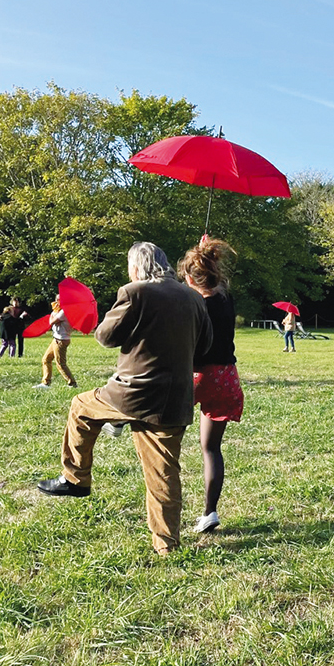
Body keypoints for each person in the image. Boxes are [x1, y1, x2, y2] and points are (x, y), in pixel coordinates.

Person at [37, 242, 212, 556]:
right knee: (163, 472)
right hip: (175, 398)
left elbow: (106, 336)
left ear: (137, 267)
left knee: (80, 406)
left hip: (132, 393)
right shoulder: (193, 297)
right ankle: (167, 545)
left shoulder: (135, 292)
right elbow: (205, 346)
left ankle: (76, 478)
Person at [178, 236, 244, 533]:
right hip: (226, 377)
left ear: (189, 278)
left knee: (165, 440)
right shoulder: (225, 297)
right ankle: (210, 512)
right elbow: (209, 279)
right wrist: (205, 253)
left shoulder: (192, 304)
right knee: (211, 448)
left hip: (197, 375)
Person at [34, 296, 77, 388]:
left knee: (61, 364)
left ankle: (72, 383)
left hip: (61, 340)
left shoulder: (64, 312)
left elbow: (51, 322)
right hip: (56, 339)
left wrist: (53, 312)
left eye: (58, 300)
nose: (56, 302)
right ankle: (46, 383)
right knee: (46, 359)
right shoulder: (61, 311)